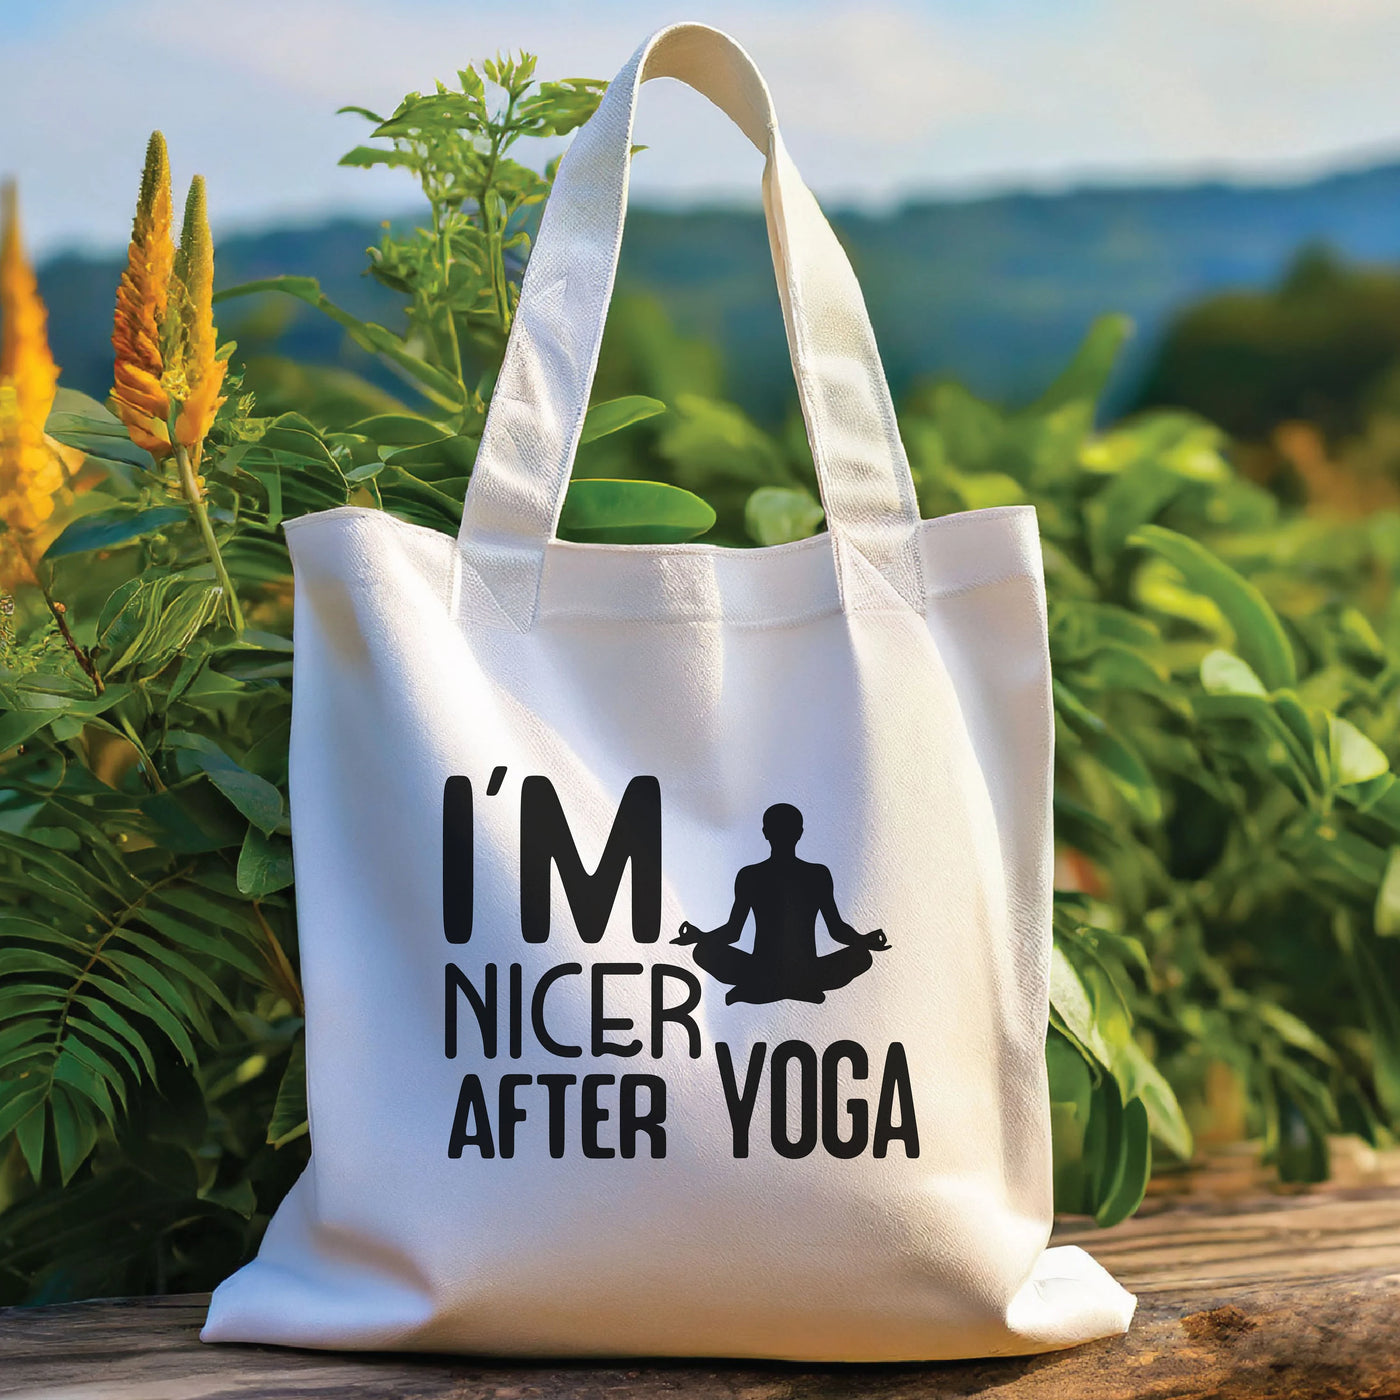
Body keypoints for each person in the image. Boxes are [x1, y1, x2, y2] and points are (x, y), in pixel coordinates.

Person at [674, 803, 889, 1005]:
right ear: (800, 833)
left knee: (703, 950)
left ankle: (763, 989)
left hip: (764, 971)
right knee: (861, 956)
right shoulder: (816, 874)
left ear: (766, 832)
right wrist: (862, 941)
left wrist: (700, 937)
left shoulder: (752, 875)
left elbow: (733, 932)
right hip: (802, 972)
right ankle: (795, 988)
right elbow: (836, 930)